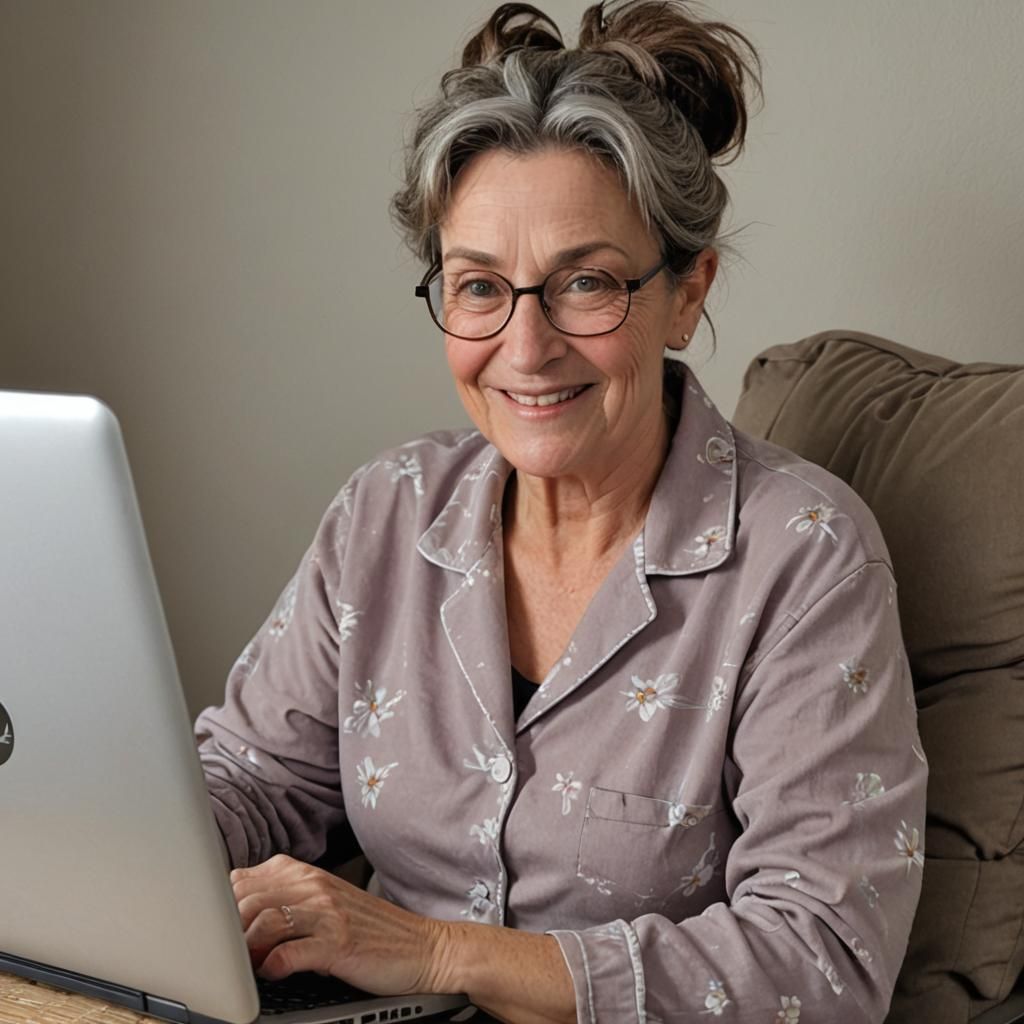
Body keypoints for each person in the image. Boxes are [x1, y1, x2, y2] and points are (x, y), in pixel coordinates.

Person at [195, 2, 928, 1021]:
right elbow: (254, 781)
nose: (526, 347)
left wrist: (442, 952)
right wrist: (104, 828)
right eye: (479, 287)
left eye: (584, 282)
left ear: (686, 292)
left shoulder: (804, 558)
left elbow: (823, 960)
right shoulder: (386, 512)